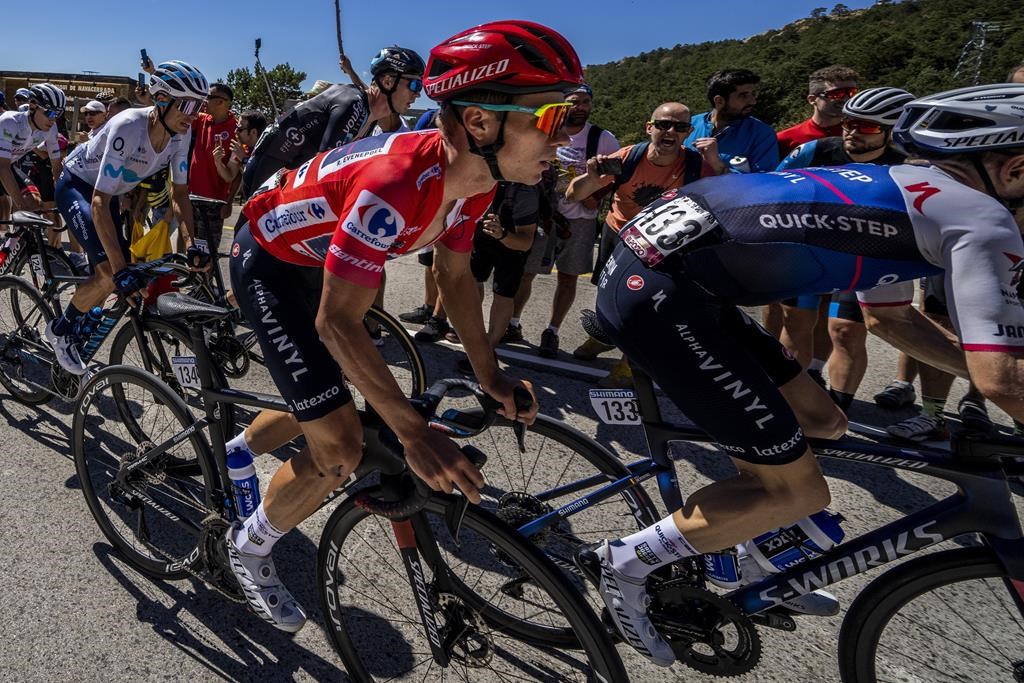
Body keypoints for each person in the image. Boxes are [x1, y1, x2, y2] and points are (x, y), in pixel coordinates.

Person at [580, 83, 1024, 667]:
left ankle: (745, 553)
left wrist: (989, 372)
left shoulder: (913, 192)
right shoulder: (984, 218)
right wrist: (997, 378)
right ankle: (621, 562)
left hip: (682, 278)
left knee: (825, 421)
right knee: (798, 489)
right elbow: (1003, 380)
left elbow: (891, 321)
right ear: (1016, 168)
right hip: (663, 294)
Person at [222, 20, 575, 632]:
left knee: (336, 396)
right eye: (549, 119)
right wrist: (413, 434)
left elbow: (458, 278)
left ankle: (240, 450)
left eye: (569, 117)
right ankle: (248, 548)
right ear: (480, 123)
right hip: (270, 263)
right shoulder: (398, 185)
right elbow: (336, 321)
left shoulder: (475, 183)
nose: (564, 140)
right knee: (340, 446)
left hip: (320, 256)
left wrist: (488, 373)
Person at [46, 61, 208, 375]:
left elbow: (181, 194)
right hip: (79, 186)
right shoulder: (128, 126)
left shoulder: (180, 135)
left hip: (111, 193)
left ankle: (85, 322)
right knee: (110, 271)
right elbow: (98, 201)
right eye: (187, 104)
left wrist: (192, 243)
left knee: (124, 272)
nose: (193, 114)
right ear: (162, 100)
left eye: (198, 106)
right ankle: (62, 329)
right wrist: (119, 270)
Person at [566, 101, 723, 384]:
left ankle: (628, 366)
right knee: (606, 296)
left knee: (643, 306)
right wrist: (591, 178)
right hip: (618, 235)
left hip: (662, 245)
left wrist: (717, 162)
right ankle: (601, 339)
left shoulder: (697, 165)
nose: (671, 131)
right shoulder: (628, 158)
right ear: (649, 128)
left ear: (688, 132)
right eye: (663, 124)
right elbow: (572, 194)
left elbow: (730, 193)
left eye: (680, 127)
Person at [773, 87, 913, 388]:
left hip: (864, 259)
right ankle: (792, 401)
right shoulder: (815, 151)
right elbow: (770, 189)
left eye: (867, 126)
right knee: (795, 322)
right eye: (849, 122)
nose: (852, 131)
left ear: (893, 131)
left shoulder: (907, 167)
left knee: (846, 332)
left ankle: (837, 415)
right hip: (809, 251)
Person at [512, 83, 619, 358]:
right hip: (544, 216)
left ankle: (552, 330)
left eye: (585, 102)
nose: (580, 107)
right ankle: (512, 323)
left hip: (581, 220)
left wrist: (597, 196)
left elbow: (615, 175)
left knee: (569, 277)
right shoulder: (546, 131)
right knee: (527, 272)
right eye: (574, 102)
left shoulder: (602, 138)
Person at [241, 46, 424, 199]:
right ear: (388, 81)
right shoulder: (353, 103)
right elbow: (324, 171)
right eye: (415, 85)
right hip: (272, 163)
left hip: (285, 171)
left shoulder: (368, 120)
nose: (418, 94)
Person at [683, 68, 779, 173]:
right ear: (719, 101)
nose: (753, 101)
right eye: (744, 95)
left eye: (752, 94)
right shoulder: (688, 124)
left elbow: (765, 182)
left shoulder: (762, 134)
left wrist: (716, 164)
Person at [187, 82, 238, 266]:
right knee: (192, 249)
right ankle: (197, 288)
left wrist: (229, 201)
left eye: (208, 97)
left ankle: (206, 288)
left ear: (222, 102)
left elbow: (237, 173)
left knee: (209, 252)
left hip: (215, 202)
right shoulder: (202, 120)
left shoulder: (236, 130)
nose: (204, 101)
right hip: (192, 196)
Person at [0, 83, 65, 217]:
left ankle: (13, 239)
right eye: (50, 112)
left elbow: (56, 167)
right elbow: (3, 167)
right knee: (17, 211)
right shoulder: (10, 122)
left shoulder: (51, 129)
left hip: (7, 165)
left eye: (58, 114)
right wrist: (21, 206)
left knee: (35, 205)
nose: (53, 119)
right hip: (3, 165)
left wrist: (63, 198)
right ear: (33, 106)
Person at [776, 65, 860, 157]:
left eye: (852, 92)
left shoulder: (863, 134)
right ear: (812, 99)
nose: (846, 99)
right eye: (837, 94)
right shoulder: (784, 140)